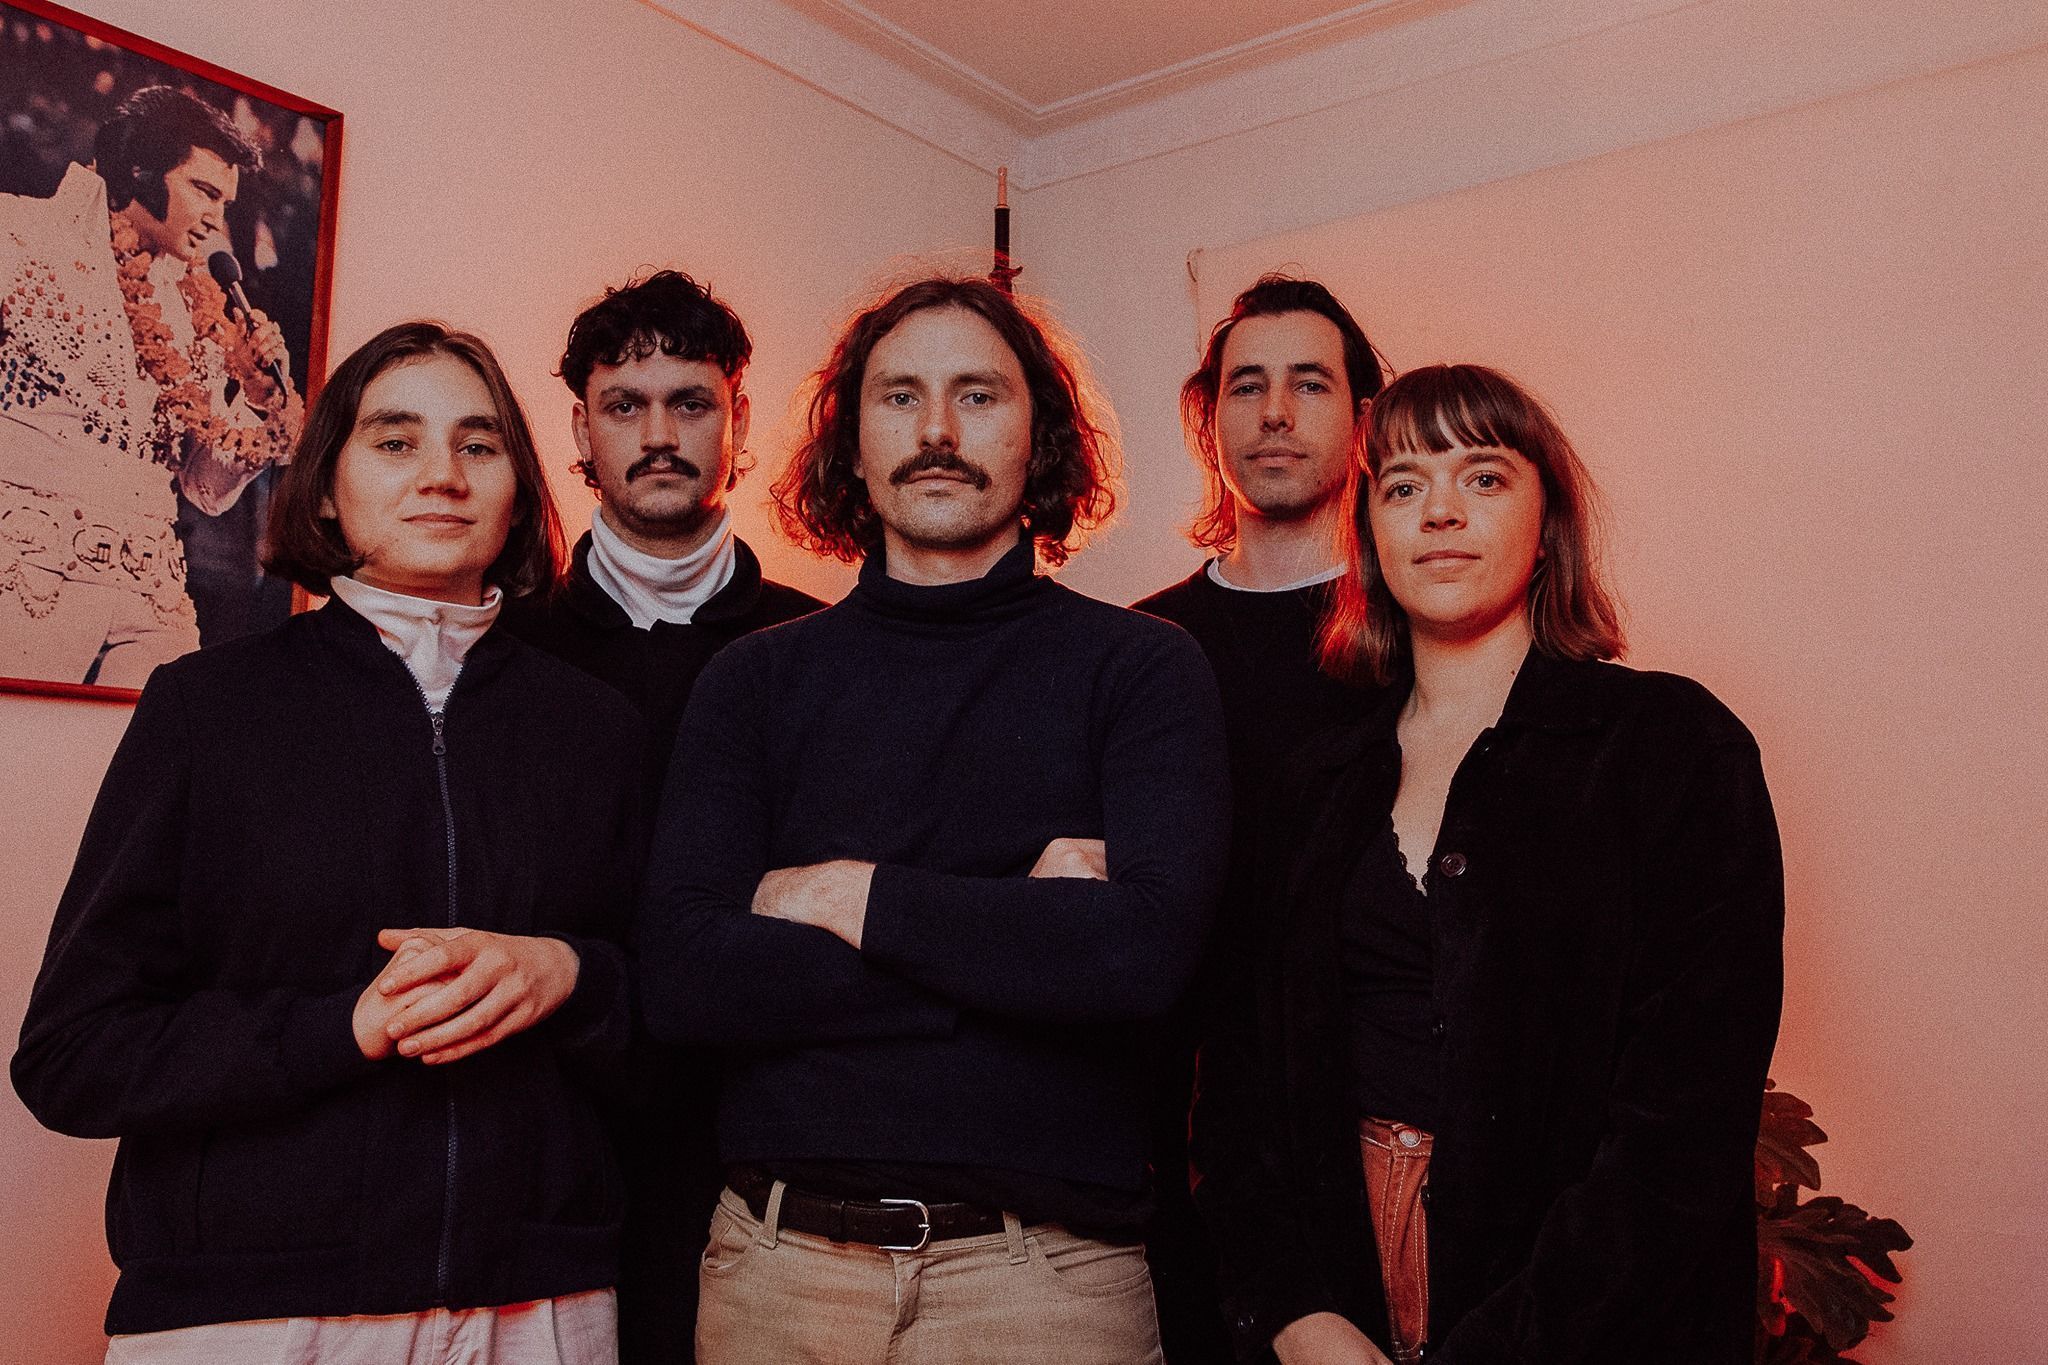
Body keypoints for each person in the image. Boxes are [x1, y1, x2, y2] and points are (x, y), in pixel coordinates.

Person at [12, 321, 642, 1362]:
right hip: (254, 1316)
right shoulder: (205, 710)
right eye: (395, 441)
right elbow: (73, 1056)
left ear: (520, 491)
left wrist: (571, 975)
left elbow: (675, 1022)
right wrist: (340, 1027)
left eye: (478, 444)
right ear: (326, 492)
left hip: (536, 1307)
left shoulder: (596, 728)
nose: (442, 474)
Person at [636, 276, 1230, 1365]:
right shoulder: (752, 682)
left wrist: (845, 894)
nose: (937, 431)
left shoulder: (1142, 668)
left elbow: (1139, 959)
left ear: (1040, 435)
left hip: (1045, 1285)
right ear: (852, 442)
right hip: (779, 1276)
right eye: (900, 396)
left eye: (978, 395)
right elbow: (683, 979)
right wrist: (1015, 930)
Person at [1192, 364, 1783, 1364]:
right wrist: (1295, 1316)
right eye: (1402, 485)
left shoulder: (1671, 747)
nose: (1440, 512)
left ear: (1548, 524)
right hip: (1339, 1307)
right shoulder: (1309, 785)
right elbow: (1239, 1096)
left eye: (1484, 477)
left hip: (1590, 1321)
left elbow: (1684, 1124)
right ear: (1369, 535)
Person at [503, 270, 822, 1363]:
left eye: (690, 403)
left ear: (739, 422)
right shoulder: (505, 653)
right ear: (579, 434)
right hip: (545, 1142)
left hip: (765, 1148)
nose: (657, 435)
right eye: (623, 405)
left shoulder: (819, 649)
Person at [1133, 275, 1386, 1362]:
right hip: (1160, 1168)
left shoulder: (1416, 638)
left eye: (1308, 383)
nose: (1275, 412)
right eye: (1246, 386)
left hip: (1369, 1158)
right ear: (1209, 419)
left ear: (1363, 419)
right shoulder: (1138, 653)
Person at [0, 85, 300, 684]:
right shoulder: (20, 236)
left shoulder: (199, 308)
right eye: (204, 191)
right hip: (28, 573)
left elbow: (204, 488)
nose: (217, 217)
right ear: (139, 169)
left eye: (226, 201)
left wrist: (255, 396)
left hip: (153, 593)